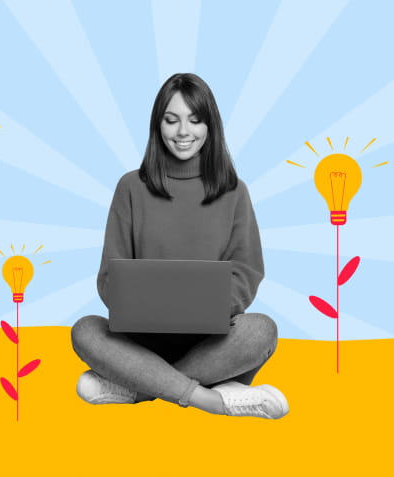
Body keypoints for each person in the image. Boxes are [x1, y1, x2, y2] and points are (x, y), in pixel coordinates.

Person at [70, 73, 288, 419]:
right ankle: (214, 399)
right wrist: (136, 302)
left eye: (194, 120)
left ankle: (137, 389)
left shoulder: (234, 190)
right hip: (139, 340)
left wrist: (208, 305)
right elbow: (110, 275)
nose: (183, 132)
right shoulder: (130, 187)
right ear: (158, 126)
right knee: (85, 330)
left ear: (210, 126)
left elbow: (247, 271)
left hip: (211, 341)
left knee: (261, 330)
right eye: (171, 120)